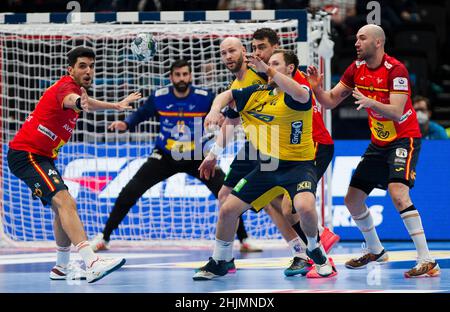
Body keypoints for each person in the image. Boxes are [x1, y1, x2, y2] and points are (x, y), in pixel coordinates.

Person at [200, 30, 340, 277]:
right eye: (223, 52)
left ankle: (310, 248)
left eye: (262, 48)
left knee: (293, 207)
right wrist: (213, 146)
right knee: (226, 199)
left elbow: (299, 91)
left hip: (304, 150)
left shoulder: (284, 80)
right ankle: (222, 259)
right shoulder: (253, 87)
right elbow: (231, 114)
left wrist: (269, 69)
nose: (259, 54)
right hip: (265, 150)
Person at [307, 24, 440, 278]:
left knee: (398, 193)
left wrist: (371, 102)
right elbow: (331, 101)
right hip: (378, 143)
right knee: (352, 199)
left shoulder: (396, 70)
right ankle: (376, 250)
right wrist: (316, 89)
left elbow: (397, 110)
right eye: (356, 38)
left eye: (362, 38)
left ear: (378, 42)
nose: (356, 43)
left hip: (404, 139)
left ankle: (427, 260)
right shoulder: (355, 69)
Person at [89, 59, 258, 256]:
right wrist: (126, 124)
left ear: (190, 76)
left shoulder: (204, 98)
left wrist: (221, 116)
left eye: (185, 74)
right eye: (177, 75)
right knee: (130, 190)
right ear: (171, 77)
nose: (182, 78)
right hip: (165, 155)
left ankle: (244, 239)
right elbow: (142, 113)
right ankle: (104, 237)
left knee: (226, 194)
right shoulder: (160, 97)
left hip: (197, 156)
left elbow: (226, 112)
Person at [7, 46, 136, 283]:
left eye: (91, 66)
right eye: (82, 66)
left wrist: (115, 106)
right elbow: (73, 100)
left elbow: (87, 102)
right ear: (71, 69)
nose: (88, 70)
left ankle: (61, 267)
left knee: (61, 208)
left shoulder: (77, 89)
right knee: (66, 202)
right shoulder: (66, 88)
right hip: (27, 155)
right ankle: (92, 261)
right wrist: (79, 102)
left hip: (43, 157)